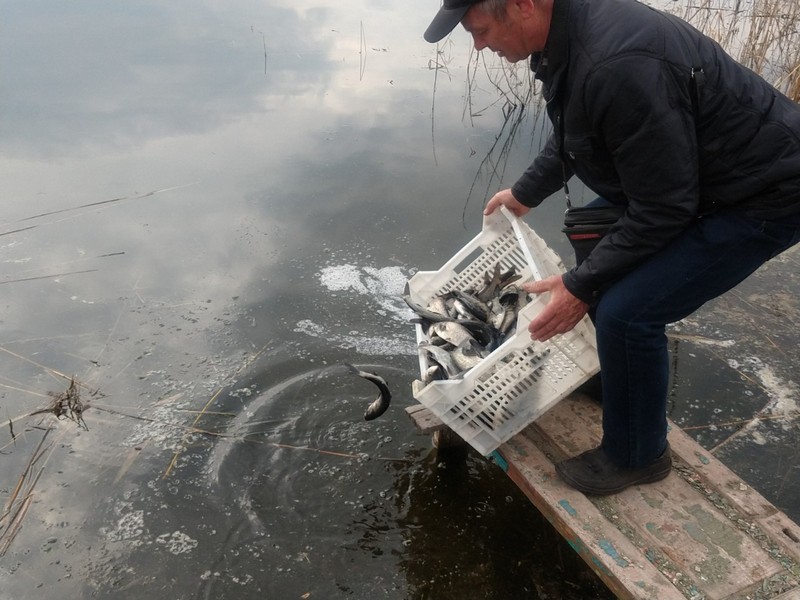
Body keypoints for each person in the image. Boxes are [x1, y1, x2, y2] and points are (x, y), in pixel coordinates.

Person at [423, 0, 800, 495]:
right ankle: (612, 375)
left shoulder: (617, 63)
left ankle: (637, 455)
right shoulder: (572, 33)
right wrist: (526, 191)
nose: (479, 45)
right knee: (592, 234)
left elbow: (666, 208)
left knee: (627, 312)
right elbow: (580, 131)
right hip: (700, 175)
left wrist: (581, 286)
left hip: (764, 192)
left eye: (481, 30)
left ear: (522, 6)